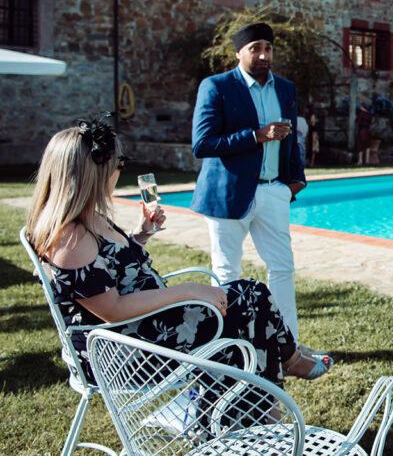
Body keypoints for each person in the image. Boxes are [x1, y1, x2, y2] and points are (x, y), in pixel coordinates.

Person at [26, 119, 330, 385]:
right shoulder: (70, 238)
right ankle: (281, 374)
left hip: (146, 329)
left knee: (247, 304)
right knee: (249, 301)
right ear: (92, 173)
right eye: (118, 165)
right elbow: (112, 308)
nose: (120, 171)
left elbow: (109, 273)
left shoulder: (88, 219)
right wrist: (188, 292)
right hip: (122, 353)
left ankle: (255, 408)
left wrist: (141, 234)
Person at [190, 23, 323, 361]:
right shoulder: (216, 86)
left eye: (268, 47)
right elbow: (202, 143)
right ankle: (231, 348)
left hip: (274, 192)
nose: (263, 54)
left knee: (282, 268)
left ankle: (288, 347)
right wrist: (256, 136)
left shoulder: (286, 88)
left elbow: (293, 140)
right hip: (227, 194)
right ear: (238, 52)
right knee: (226, 272)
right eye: (255, 48)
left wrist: (296, 179)